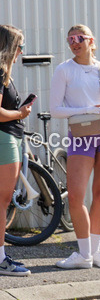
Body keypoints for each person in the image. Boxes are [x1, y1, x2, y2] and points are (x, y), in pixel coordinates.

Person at [49, 25, 100, 270]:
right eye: (70, 39)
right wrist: (90, 110)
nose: (74, 42)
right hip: (81, 135)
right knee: (76, 196)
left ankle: (95, 250)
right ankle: (83, 254)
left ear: (91, 41)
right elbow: (56, 109)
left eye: (80, 38)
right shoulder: (64, 70)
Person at [0, 25, 32, 276]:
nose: (21, 51)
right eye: (19, 46)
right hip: (4, 140)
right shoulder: (0, 73)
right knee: (2, 202)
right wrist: (21, 113)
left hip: (9, 138)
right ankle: (1, 259)